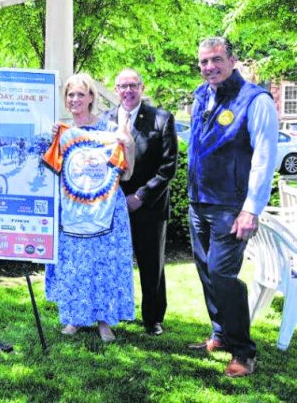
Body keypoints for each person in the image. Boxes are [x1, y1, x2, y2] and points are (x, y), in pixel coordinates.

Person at [187, 37, 278, 377]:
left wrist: (250, 209)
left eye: (215, 60)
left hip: (230, 206)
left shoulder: (255, 100)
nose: (209, 67)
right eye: (203, 62)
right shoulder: (201, 95)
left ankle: (244, 351)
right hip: (199, 202)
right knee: (207, 273)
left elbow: (265, 158)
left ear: (232, 59)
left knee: (223, 275)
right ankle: (220, 334)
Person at [43, 73, 135, 342]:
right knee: (74, 263)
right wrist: (53, 141)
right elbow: (52, 170)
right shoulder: (62, 133)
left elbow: (126, 175)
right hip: (72, 210)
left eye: (81, 94)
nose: (75, 100)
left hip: (106, 210)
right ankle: (74, 318)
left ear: (92, 97)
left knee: (103, 263)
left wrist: (127, 144)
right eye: (70, 95)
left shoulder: (110, 129)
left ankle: (104, 321)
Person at [104, 68, 177, 336]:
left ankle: (153, 318)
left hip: (149, 206)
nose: (128, 91)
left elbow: (168, 167)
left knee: (151, 264)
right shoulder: (106, 119)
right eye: (122, 86)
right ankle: (111, 313)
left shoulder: (161, 119)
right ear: (115, 90)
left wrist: (141, 197)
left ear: (142, 88)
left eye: (133, 85)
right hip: (112, 204)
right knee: (112, 262)